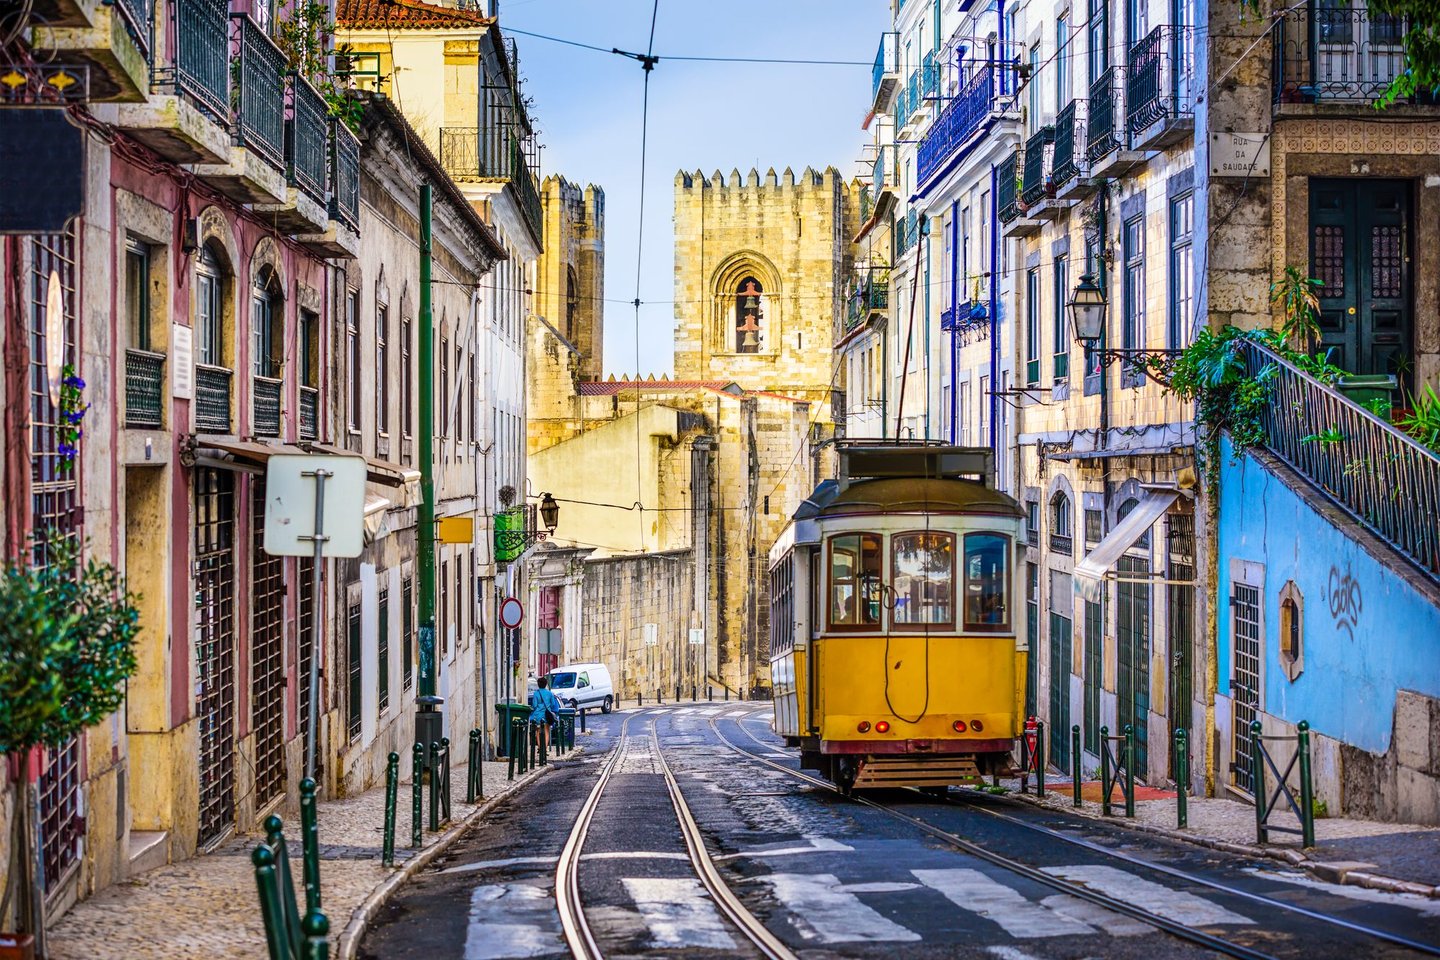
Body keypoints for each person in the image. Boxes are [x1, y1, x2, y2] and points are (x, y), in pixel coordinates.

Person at [529, 675, 562, 752]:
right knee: (547, 730)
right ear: (545, 684)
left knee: (538, 731)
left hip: (538, 715)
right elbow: (553, 704)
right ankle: (545, 748)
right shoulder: (550, 693)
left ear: (538, 684)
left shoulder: (536, 694)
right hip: (547, 715)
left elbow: (534, 705)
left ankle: (540, 747)